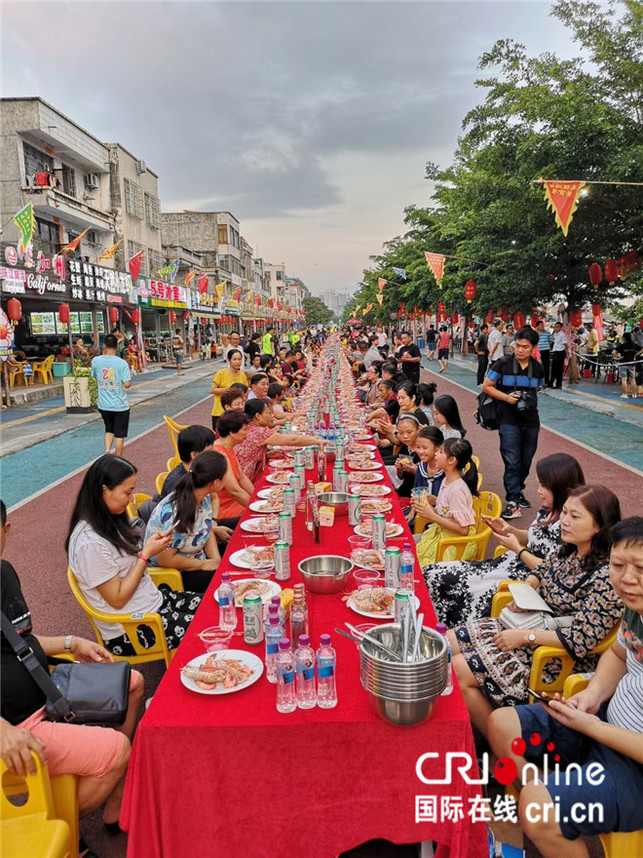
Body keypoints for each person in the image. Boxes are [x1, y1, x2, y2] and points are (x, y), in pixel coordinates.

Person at [487, 516, 643, 858]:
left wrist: (594, 727)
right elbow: (618, 654)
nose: (628, 579)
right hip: (602, 723)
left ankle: (541, 811)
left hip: (633, 767)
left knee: (536, 807)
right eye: (618, 565)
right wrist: (591, 694)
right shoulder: (635, 610)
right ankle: (546, 806)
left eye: (640, 569)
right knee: (500, 723)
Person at [0, 499, 144, 844]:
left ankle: (111, 790)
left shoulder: (3, 572)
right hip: (17, 723)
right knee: (117, 751)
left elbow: (20, 637)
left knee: (133, 682)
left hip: (45, 687)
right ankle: (59, 828)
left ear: (5, 531)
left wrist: (71, 642)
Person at [449, 485, 623, 737]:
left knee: (457, 668)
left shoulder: (606, 575)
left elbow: (580, 640)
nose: (564, 520)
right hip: (530, 628)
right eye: (564, 513)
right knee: (447, 643)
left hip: (555, 657)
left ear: (599, 525)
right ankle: (475, 723)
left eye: (575, 516)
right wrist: (526, 594)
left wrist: (524, 637)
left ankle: (501, 742)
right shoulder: (569, 551)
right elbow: (539, 572)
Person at [422, 453, 585, 628]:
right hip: (509, 563)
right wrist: (508, 529)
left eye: (543, 485)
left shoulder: (570, 526)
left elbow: (552, 570)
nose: (538, 491)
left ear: (560, 486)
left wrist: (518, 550)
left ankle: (450, 632)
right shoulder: (549, 510)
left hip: (527, 577)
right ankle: (434, 626)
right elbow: (534, 537)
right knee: (432, 572)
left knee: (455, 585)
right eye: (538, 484)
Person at [66, 455, 202, 656]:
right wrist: (145, 554)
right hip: (133, 628)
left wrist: (149, 547)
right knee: (212, 626)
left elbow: (128, 565)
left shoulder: (110, 521)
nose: (131, 498)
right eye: (128, 491)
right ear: (105, 490)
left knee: (215, 605)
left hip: (152, 604)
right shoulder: (89, 544)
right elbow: (118, 599)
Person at [482, 326, 545, 520]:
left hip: (531, 419)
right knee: (512, 459)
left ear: (533, 347)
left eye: (525, 347)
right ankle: (512, 501)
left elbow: (538, 388)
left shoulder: (539, 368)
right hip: (507, 418)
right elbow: (486, 386)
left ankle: (518, 491)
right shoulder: (502, 363)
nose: (520, 350)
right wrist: (507, 397)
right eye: (517, 345)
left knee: (526, 460)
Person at [145, 450, 228, 594]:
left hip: (194, 559)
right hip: (173, 573)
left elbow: (205, 529)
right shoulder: (181, 511)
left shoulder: (202, 495)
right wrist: (203, 565)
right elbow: (165, 559)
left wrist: (216, 560)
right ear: (216, 482)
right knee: (227, 583)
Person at [412, 438, 479, 565]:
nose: (436, 454)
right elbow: (443, 514)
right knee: (405, 546)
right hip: (442, 535)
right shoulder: (446, 481)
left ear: (451, 460)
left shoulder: (457, 490)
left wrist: (431, 515)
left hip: (453, 545)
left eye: (441, 452)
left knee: (409, 556)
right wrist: (426, 506)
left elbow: (463, 530)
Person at [137, 425, 217, 523]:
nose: (215, 454)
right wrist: (212, 527)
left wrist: (213, 521)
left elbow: (214, 497)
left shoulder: (200, 471)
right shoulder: (177, 484)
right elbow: (183, 525)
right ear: (194, 455)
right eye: (211, 450)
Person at [236, 399, 324, 482]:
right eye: (268, 413)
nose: (272, 416)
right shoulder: (259, 431)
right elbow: (292, 440)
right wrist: (316, 440)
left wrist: (265, 455)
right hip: (242, 479)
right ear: (258, 416)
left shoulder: (248, 427)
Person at [91, 333, 132, 457]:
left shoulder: (96, 361)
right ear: (117, 346)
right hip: (120, 405)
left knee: (109, 429)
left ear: (104, 345)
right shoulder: (122, 363)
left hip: (104, 405)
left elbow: (94, 376)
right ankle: (117, 459)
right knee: (119, 434)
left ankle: (107, 452)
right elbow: (127, 384)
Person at [213, 411, 255, 525]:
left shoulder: (229, 447)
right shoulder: (220, 453)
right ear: (232, 432)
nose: (247, 433)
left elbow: (242, 478)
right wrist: (255, 507)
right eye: (245, 430)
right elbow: (234, 490)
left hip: (235, 502)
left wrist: (256, 497)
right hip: (224, 508)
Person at [210, 348, 249, 431]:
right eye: (234, 359)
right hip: (219, 412)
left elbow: (245, 393)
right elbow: (213, 390)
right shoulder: (221, 373)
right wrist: (229, 390)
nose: (237, 362)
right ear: (229, 360)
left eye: (239, 359)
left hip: (236, 414)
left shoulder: (242, 375)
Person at [613, 331, 641, 398]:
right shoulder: (634, 345)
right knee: (632, 379)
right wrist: (636, 355)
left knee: (624, 379)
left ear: (624, 338)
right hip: (632, 363)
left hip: (623, 363)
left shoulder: (622, 346)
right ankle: (634, 394)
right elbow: (642, 349)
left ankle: (625, 394)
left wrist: (618, 357)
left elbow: (613, 352)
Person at [549, 321, 568, 389]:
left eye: (557, 327)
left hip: (560, 352)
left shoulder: (562, 335)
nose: (556, 328)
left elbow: (565, 344)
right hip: (555, 352)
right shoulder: (555, 334)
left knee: (559, 369)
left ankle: (559, 384)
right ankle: (551, 382)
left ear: (561, 327)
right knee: (553, 368)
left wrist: (565, 353)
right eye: (555, 327)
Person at [535, 320, 551, 384]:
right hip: (537, 352)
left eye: (543, 325)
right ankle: (538, 380)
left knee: (546, 366)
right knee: (537, 366)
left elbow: (550, 342)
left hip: (545, 351)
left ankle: (546, 381)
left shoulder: (547, 333)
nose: (542, 326)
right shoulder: (534, 333)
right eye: (541, 325)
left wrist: (545, 346)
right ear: (537, 326)